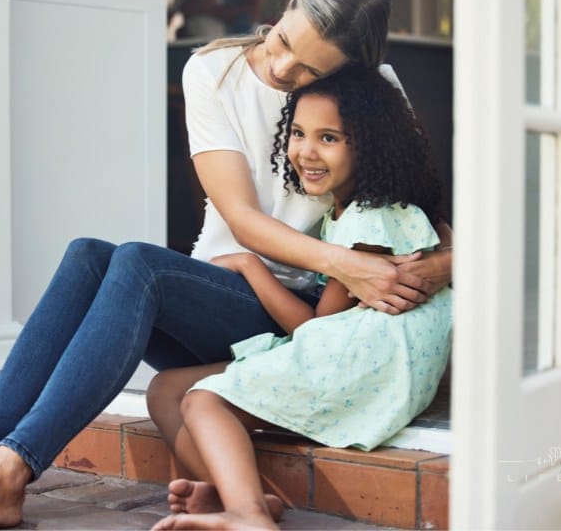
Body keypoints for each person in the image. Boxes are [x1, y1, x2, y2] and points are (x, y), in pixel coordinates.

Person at [0, 0, 452, 530]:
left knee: (138, 264)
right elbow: (242, 219)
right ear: (284, 9)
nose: (281, 67)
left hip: (300, 312)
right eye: (282, 41)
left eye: (307, 72)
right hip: (229, 291)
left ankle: (11, 468)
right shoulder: (214, 71)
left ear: (347, 77)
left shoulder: (374, 94)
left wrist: (437, 266)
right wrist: (349, 263)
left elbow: (430, 217)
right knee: (88, 256)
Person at [148, 65, 452, 530]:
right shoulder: (363, 212)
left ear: (368, 147)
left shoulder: (369, 223)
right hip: (354, 360)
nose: (305, 151)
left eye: (329, 138)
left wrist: (250, 265)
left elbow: (313, 329)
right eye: (298, 133)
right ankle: (242, 498)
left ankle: (249, 516)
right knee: (165, 389)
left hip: (365, 374)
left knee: (204, 402)